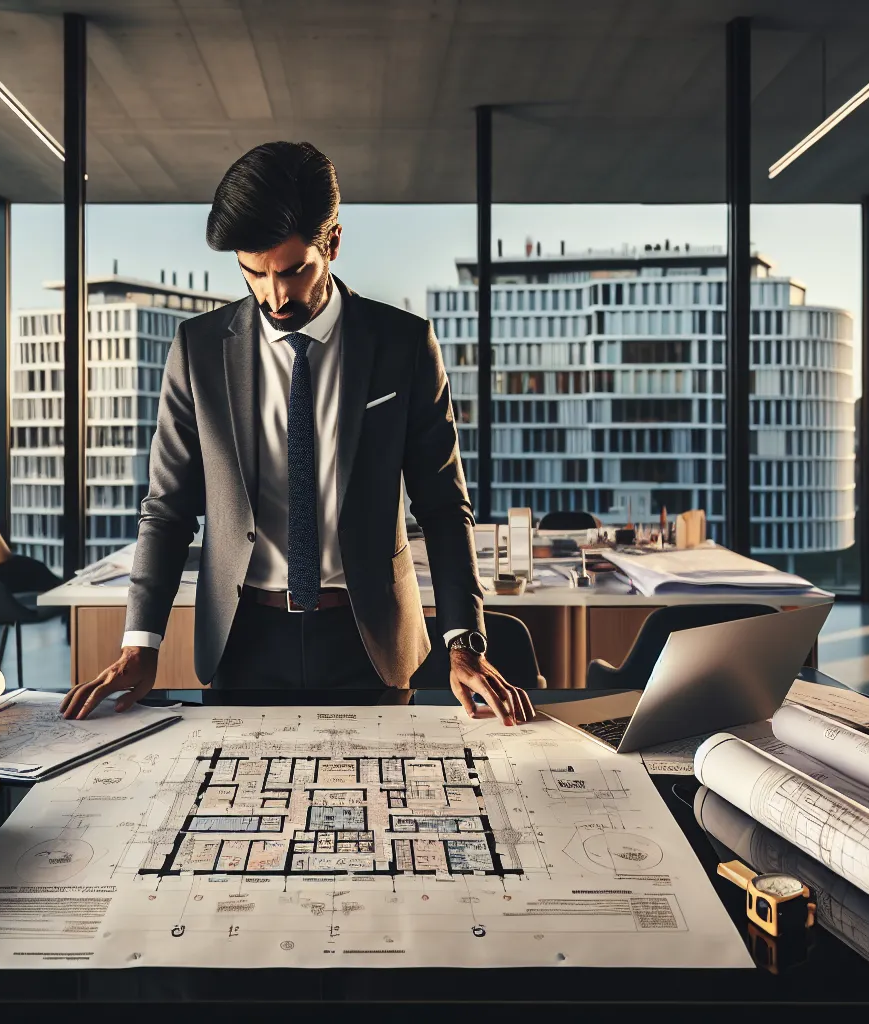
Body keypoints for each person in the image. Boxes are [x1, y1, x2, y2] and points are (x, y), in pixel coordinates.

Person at [60, 141, 532, 726]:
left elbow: (442, 503)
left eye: (292, 270)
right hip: (241, 636)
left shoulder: (403, 344)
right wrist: (141, 643)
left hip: (370, 641)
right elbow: (168, 508)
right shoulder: (199, 349)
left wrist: (465, 643)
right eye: (253, 274)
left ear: (332, 242)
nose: (274, 297)